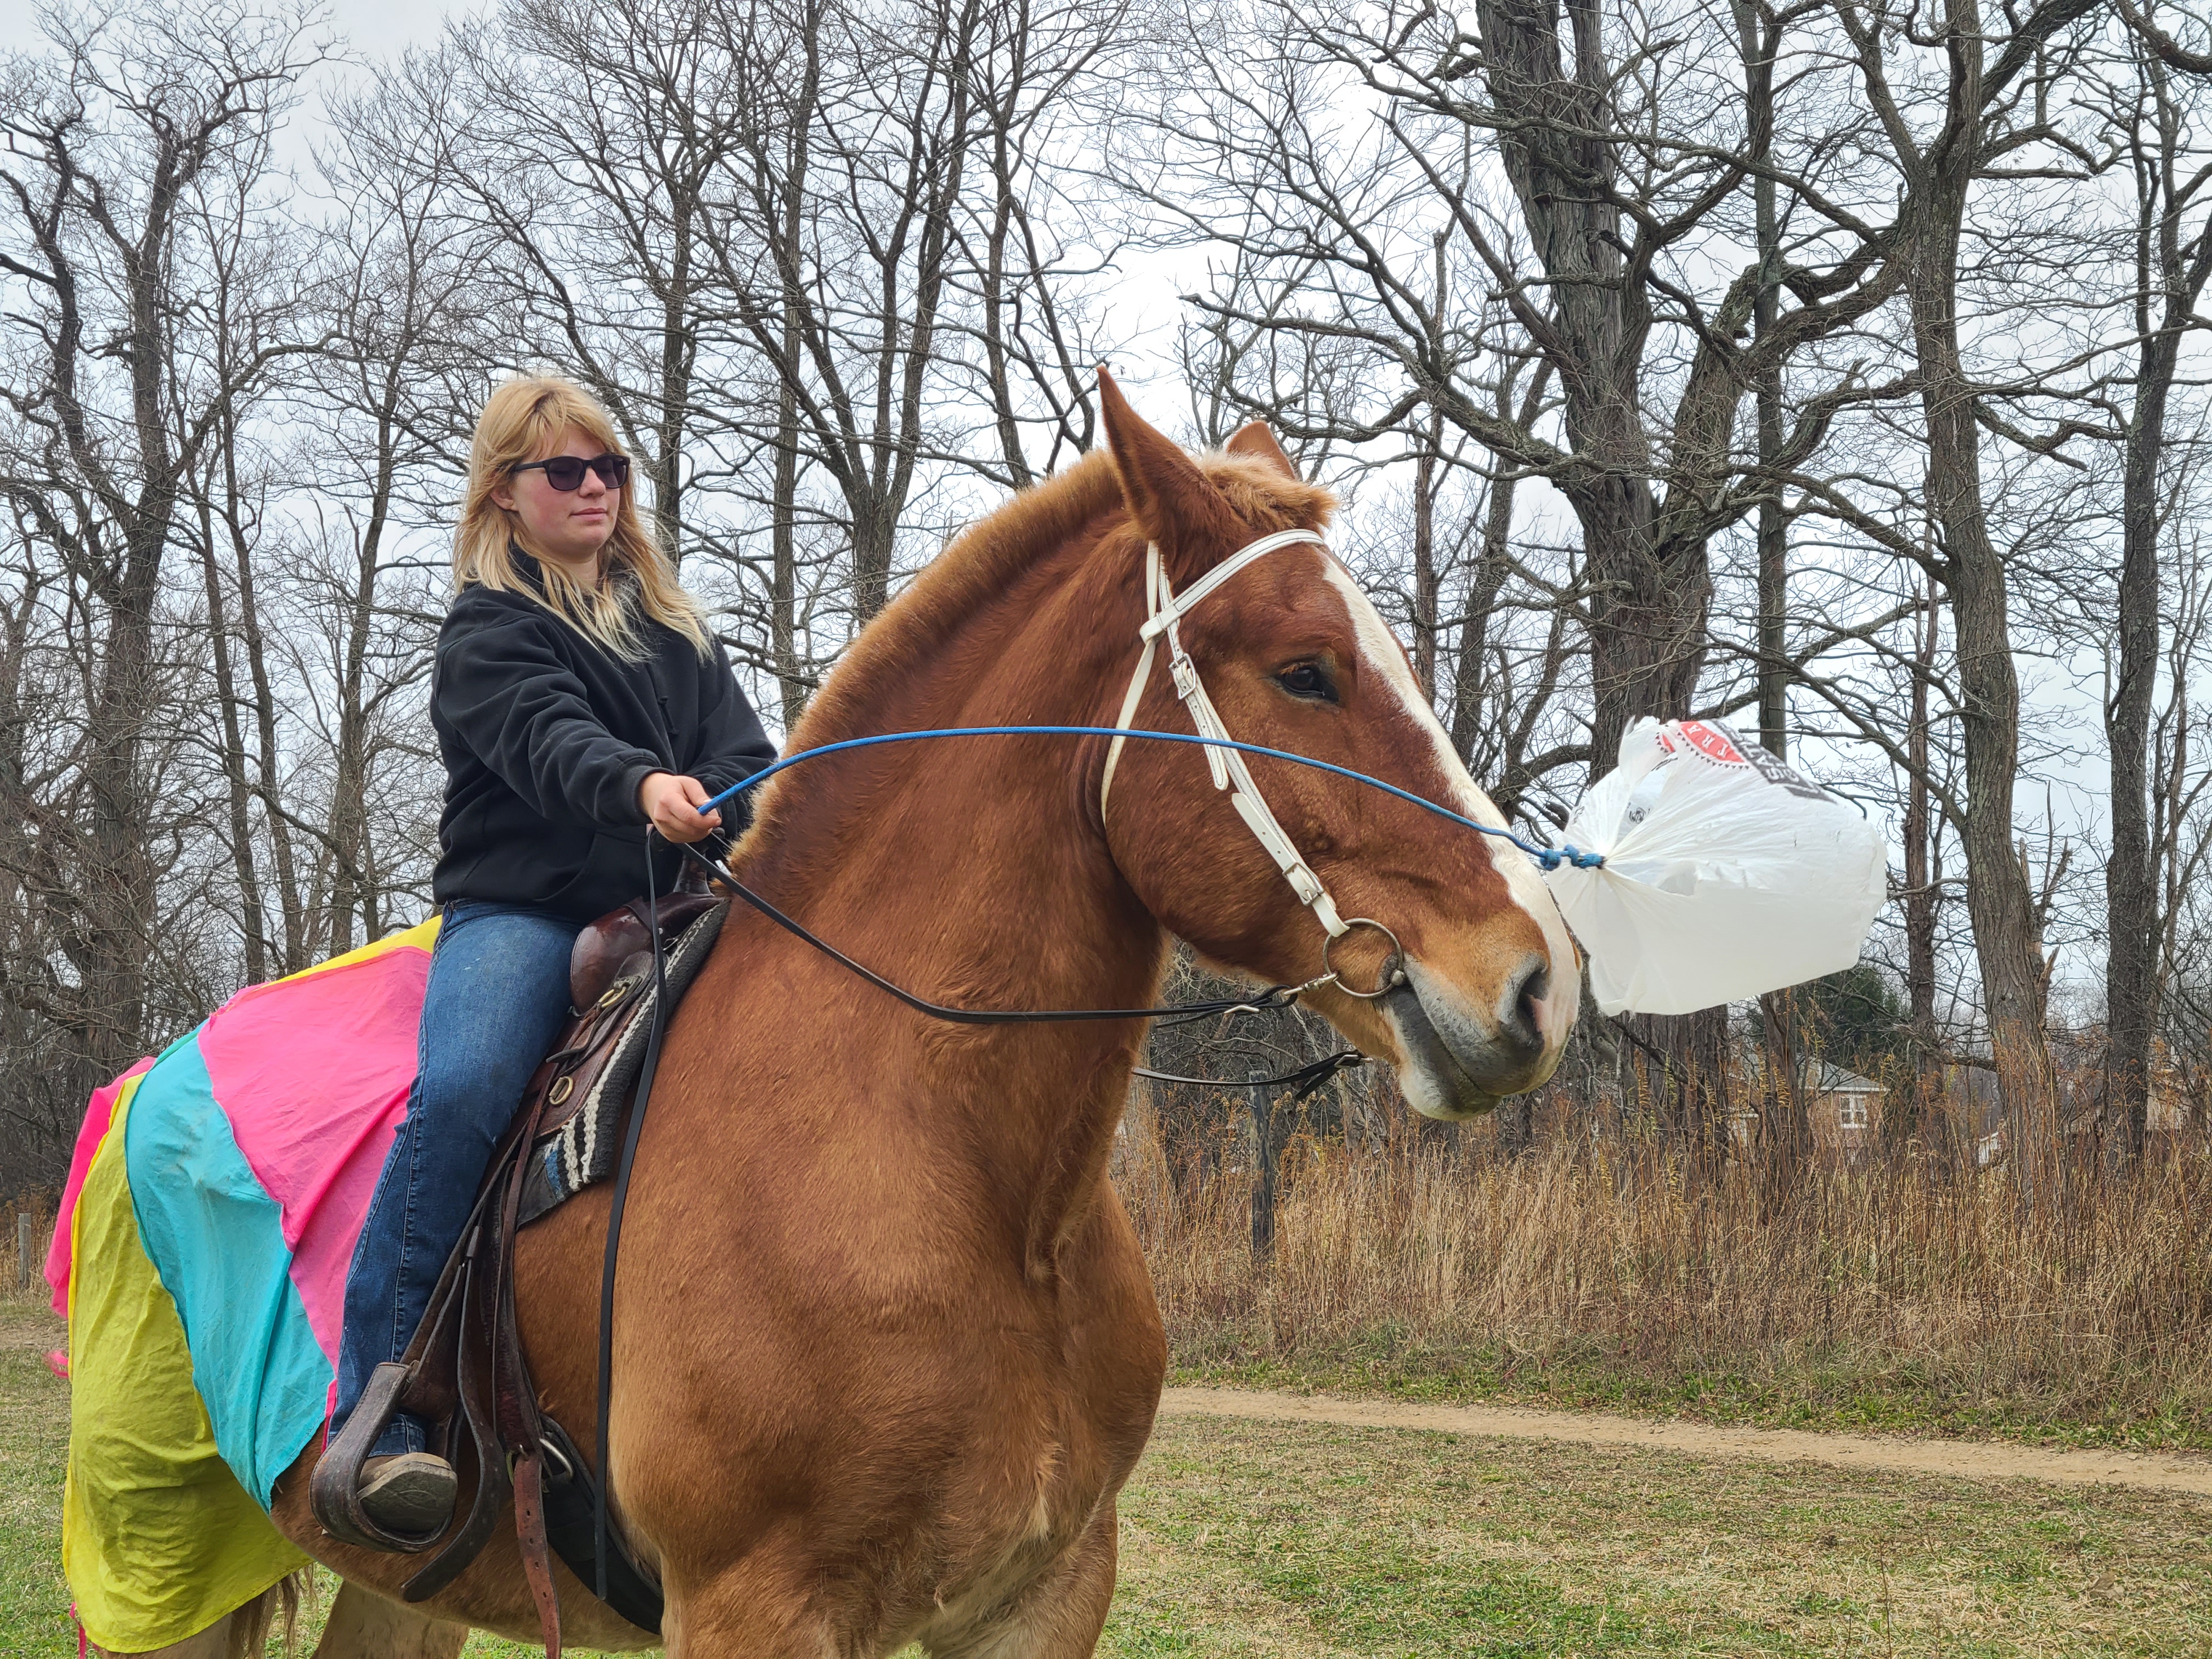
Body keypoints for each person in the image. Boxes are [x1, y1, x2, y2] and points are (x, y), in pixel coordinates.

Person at [330, 376, 775, 1543]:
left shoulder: (672, 626)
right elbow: (546, 739)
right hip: (524, 915)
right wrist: (639, 787)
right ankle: (379, 1413)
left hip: (673, 905)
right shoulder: (489, 627)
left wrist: (763, 808)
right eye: (564, 472)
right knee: (470, 1085)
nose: (593, 489)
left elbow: (744, 754)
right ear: (506, 494)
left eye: (609, 469)